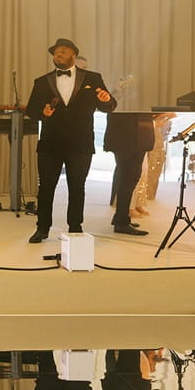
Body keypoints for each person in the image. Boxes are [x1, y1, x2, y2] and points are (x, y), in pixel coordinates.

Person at [25, 38, 116, 243]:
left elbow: (109, 106)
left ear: (73, 54)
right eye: (56, 52)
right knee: (45, 187)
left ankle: (75, 227)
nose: (58, 55)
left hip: (81, 143)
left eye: (63, 52)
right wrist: (42, 112)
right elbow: (31, 110)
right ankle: (42, 228)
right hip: (50, 143)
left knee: (77, 186)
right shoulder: (42, 81)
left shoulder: (93, 78)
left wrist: (106, 100)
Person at [104, 112, 155, 235]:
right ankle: (121, 222)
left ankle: (122, 217)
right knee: (126, 177)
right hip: (124, 135)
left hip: (141, 134)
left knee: (132, 176)